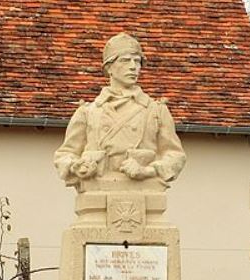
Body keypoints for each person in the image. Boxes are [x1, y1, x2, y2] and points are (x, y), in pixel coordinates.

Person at [54, 32, 186, 190]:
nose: (133, 67)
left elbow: (175, 156)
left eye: (137, 61)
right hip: (96, 193)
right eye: (125, 60)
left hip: (144, 194)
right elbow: (65, 154)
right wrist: (77, 166)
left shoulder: (156, 111)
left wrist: (147, 170)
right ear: (109, 67)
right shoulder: (88, 112)